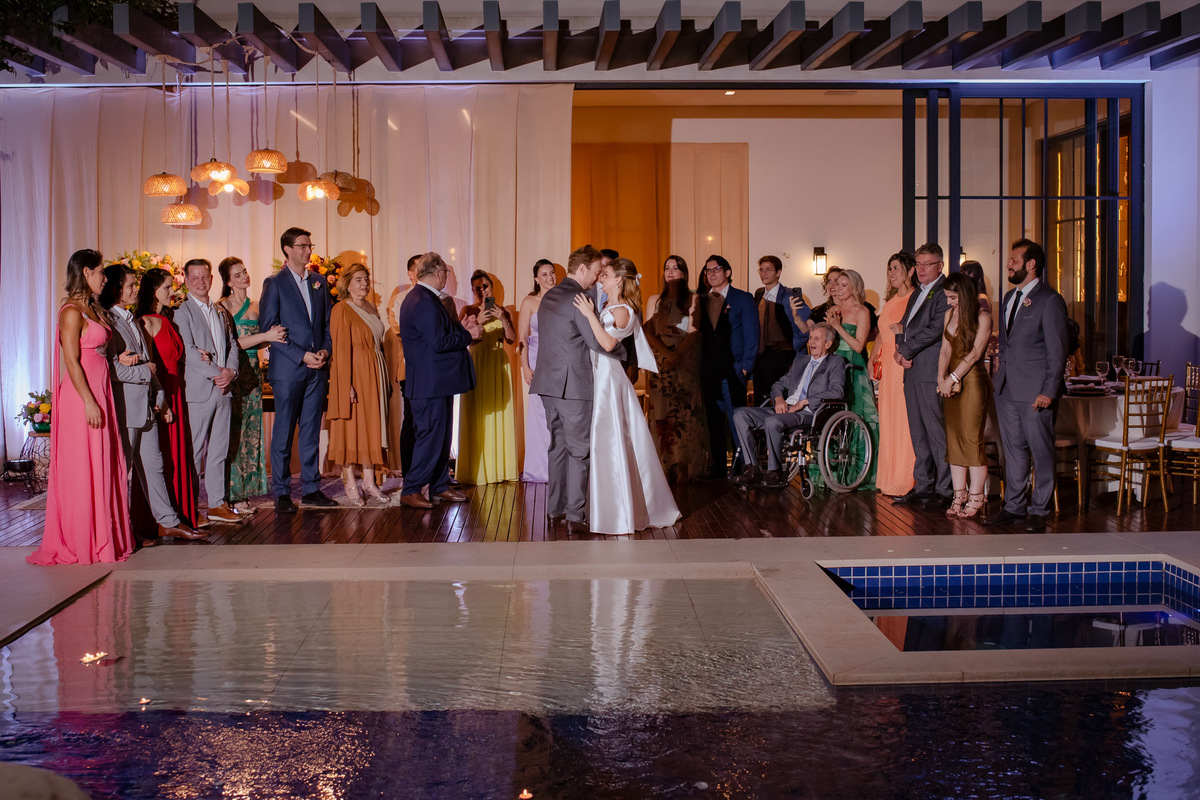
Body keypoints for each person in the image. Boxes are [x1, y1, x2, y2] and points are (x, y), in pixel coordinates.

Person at [27, 249, 135, 565]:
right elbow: (71, 361)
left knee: (103, 464)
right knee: (83, 467)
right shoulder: (72, 312)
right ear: (86, 272)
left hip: (101, 392)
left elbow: (97, 352)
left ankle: (104, 536)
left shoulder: (93, 308)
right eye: (101, 271)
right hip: (81, 397)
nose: (105, 278)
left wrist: (117, 359)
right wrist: (89, 401)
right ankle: (82, 539)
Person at [572, 258, 681, 533]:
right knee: (602, 441)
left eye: (606, 275)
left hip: (609, 380)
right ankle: (602, 508)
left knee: (610, 440)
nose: (601, 278)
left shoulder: (624, 311)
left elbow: (609, 344)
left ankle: (618, 513)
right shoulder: (606, 307)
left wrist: (588, 315)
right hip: (598, 375)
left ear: (618, 280)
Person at [100, 265, 200, 543]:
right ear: (115, 288)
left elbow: (147, 363)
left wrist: (159, 395)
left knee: (155, 468)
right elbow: (111, 369)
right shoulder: (109, 322)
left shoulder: (133, 320)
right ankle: (121, 531)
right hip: (126, 409)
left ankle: (167, 522)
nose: (136, 289)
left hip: (146, 407)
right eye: (130, 285)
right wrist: (147, 372)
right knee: (122, 472)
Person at [531, 244, 626, 534]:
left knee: (557, 447)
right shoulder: (579, 298)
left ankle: (555, 510)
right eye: (596, 271)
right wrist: (624, 351)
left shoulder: (549, 296)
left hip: (547, 385)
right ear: (582, 268)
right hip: (573, 386)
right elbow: (596, 342)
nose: (597, 277)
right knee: (579, 451)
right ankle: (574, 515)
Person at [985, 239, 1070, 533]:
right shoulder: (1009, 297)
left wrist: (1048, 390)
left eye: (1014, 260)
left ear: (1031, 264)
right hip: (1006, 388)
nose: (1008, 264)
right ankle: (1014, 506)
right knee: (1013, 451)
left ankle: (1039, 509)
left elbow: (1057, 351)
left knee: (1041, 450)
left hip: (1035, 391)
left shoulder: (1050, 300)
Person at [259, 227, 337, 512]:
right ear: (287, 249)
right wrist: (301, 355)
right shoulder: (274, 283)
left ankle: (311, 488)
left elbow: (327, 324)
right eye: (302, 246)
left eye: (309, 245)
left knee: (311, 430)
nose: (308, 251)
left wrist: (325, 350)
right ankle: (281, 492)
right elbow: (269, 329)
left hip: (317, 368)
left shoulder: (319, 282)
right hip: (289, 370)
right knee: (283, 432)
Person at [397, 252, 482, 509]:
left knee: (442, 436)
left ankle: (439, 485)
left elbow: (438, 334)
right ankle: (411, 489)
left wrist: (461, 327)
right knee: (430, 436)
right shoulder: (422, 300)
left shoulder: (428, 298)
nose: (447, 276)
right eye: (446, 271)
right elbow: (439, 342)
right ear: (436, 272)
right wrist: (467, 335)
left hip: (438, 381)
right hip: (429, 383)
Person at [732, 323, 847, 487]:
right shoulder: (801, 361)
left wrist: (805, 401)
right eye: (810, 338)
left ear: (828, 344)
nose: (811, 342)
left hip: (808, 412)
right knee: (740, 414)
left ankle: (775, 471)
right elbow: (778, 385)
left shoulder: (835, 362)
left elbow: (837, 391)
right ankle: (753, 468)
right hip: (786, 409)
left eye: (816, 339)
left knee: (773, 421)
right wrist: (779, 399)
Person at [174, 259, 243, 526]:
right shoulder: (182, 312)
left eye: (204, 277)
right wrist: (218, 373)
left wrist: (231, 372)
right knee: (193, 452)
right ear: (186, 280)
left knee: (218, 451)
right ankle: (189, 507)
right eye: (195, 277)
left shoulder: (220, 311)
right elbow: (189, 352)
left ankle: (216, 504)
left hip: (224, 388)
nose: (200, 282)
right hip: (199, 390)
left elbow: (232, 344)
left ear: (212, 279)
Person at [218, 257, 287, 515]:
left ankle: (245, 492)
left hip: (253, 373)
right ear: (228, 281)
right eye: (237, 275)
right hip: (233, 371)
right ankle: (230, 494)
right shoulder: (222, 307)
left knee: (251, 431)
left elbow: (261, 341)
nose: (244, 277)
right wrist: (266, 336)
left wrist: (271, 337)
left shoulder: (257, 305)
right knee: (232, 431)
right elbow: (229, 343)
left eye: (244, 272)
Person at [137, 268, 200, 530]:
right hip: (163, 393)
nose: (172, 292)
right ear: (153, 291)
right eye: (167, 287)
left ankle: (182, 513)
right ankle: (159, 519)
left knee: (180, 454)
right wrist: (160, 401)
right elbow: (149, 366)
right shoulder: (146, 321)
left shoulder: (169, 319)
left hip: (178, 389)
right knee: (163, 457)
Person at [893, 243, 953, 509]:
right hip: (912, 369)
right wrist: (899, 349)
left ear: (941, 265)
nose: (921, 269)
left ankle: (944, 489)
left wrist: (905, 350)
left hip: (931, 369)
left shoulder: (944, 291)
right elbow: (906, 326)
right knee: (918, 433)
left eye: (927, 264)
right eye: (918, 264)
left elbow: (935, 328)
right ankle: (923, 485)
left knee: (936, 432)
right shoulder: (918, 291)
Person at [328, 264, 390, 505]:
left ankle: (370, 482)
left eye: (366, 279)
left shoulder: (370, 307)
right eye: (358, 280)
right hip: (354, 374)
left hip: (375, 372)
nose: (364, 284)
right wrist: (347, 384)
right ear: (347, 284)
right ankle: (350, 483)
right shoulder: (341, 309)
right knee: (351, 428)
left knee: (371, 427)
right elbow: (340, 350)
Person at [643, 255, 708, 483]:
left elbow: (694, 331)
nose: (670, 271)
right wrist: (666, 354)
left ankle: (684, 467)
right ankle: (664, 466)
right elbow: (648, 331)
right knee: (661, 415)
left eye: (675, 268)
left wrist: (677, 355)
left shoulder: (693, 298)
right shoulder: (654, 299)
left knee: (685, 414)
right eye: (667, 267)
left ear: (683, 273)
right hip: (660, 363)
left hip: (685, 362)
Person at [937, 272, 995, 519]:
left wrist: (952, 378)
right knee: (953, 439)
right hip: (950, 381)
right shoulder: (949, 315)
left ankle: (977, 496)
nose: (949, 302)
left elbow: (974, 355)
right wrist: (940, 379)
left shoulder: (983, 317)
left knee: (971, 439)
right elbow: (945, 349)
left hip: (972, 381)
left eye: (952, 297)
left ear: (964, 294)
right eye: (947, 297)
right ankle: (958, 494)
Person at [697, 254, 759, 480]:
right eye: (708, 270)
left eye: (716, 269)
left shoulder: (743, 298)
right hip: (709, 371)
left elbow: (752, 335)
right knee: (713, 421)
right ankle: (717, 467)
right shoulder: (701, 300)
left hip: (734, 371)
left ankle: (742, 466)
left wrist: (745, 368)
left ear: (728, 272)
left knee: (736, 420)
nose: (711, 274)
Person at [457, 269, 518, 485]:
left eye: (485, 286)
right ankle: (475, 470)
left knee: (499, 412)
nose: (482, 291)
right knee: (477, 414)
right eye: (478, 288)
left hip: (498, 363)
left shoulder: (503, 310)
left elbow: (511, 339)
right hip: (476, 362)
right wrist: (478, 322)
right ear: (473, 290)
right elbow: (461, 339)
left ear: (492, 287)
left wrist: (504, 319)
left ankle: (499, 469)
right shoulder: (468, 310)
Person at [824, 269, 879, 489]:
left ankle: (858, 472)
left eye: (843, 284)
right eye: (837, 284)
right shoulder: (833, 310)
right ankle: (832, 471)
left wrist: (838, 327)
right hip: (833, 365)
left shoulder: (862, 311)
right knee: (831, 417)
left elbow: (858, 345)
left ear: (854, 287)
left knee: (858, 415)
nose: (837, 288)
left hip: (852, 365)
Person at [868, 252, 917, 498]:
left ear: (910, 271)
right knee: (888, 419)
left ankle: (906, 479)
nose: (891, 273)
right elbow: (881, 334)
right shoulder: (890, 301)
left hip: (903, 363)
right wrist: (872, 358)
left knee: (904, 420)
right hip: (887, 364)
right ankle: (889, 477)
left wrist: (904, 330)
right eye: (890, 269)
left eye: (896, 268)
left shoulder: (914, 298)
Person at [518, 259, 557, 482]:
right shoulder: (530, 301)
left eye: (552, 273)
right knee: (539, 413)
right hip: (536, 359)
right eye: (544, 274)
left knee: (557, 414)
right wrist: (525, 366)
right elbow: (522, 337)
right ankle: (539, 469)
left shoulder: (562, 298)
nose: (549, 277)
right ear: (536, 279)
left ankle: (558, 468)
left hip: (559, 358)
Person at [385, 255, 421, 475]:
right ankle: (410, 474)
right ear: (410, 274)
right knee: (412, 419)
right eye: (419, 268)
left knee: (437, 421)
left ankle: (437, 472)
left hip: (437, 369)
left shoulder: (441, 298)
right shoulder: (400, 299)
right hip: (410, 368)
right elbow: (400, 331)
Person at [753, 255, 806, 405]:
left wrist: (791, 347)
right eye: (761, 270)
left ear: (778, 272)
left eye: (768, 270)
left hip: (783, 357)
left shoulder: (790, 295)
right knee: (760, 400)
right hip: (761, 357)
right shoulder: (759, 293)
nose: (764, 273)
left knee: (781, 400)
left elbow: (805, 327)